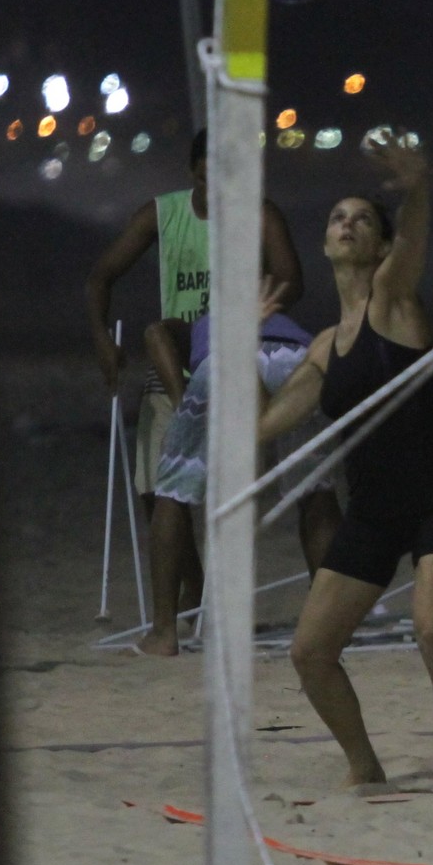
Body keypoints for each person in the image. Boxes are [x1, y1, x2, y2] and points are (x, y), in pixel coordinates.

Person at [258, 130, 433, 793]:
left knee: (431, 630)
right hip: (373, 511)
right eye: (337, 218)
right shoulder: (324, 347)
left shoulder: (394, 298)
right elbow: (263, 426)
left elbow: (414, 236)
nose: (347, 224)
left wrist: (417, 186)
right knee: (309, 652)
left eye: (362, 218)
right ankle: (365, 766)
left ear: (382, 244)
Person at [86, 129, 304, 615]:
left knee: (229, 494)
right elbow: (102, 275)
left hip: (238, 358)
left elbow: (293, 279)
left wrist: (258, 302)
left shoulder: (260, 213)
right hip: (177, 361)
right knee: (153, 491)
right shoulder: (163, 214)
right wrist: (102, 339)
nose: (215, 190)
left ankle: (212, 602)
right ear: (192, 173)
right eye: (206, 178)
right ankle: (195, 590)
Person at [132, 309, 343, 656]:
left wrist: (182, 403)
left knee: (171, 491)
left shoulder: (197, 325)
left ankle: (163, 633)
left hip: (225, 361)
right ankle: (332, 626)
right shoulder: (277, 317)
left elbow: (155, 333)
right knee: (315, 489)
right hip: (298, 361)